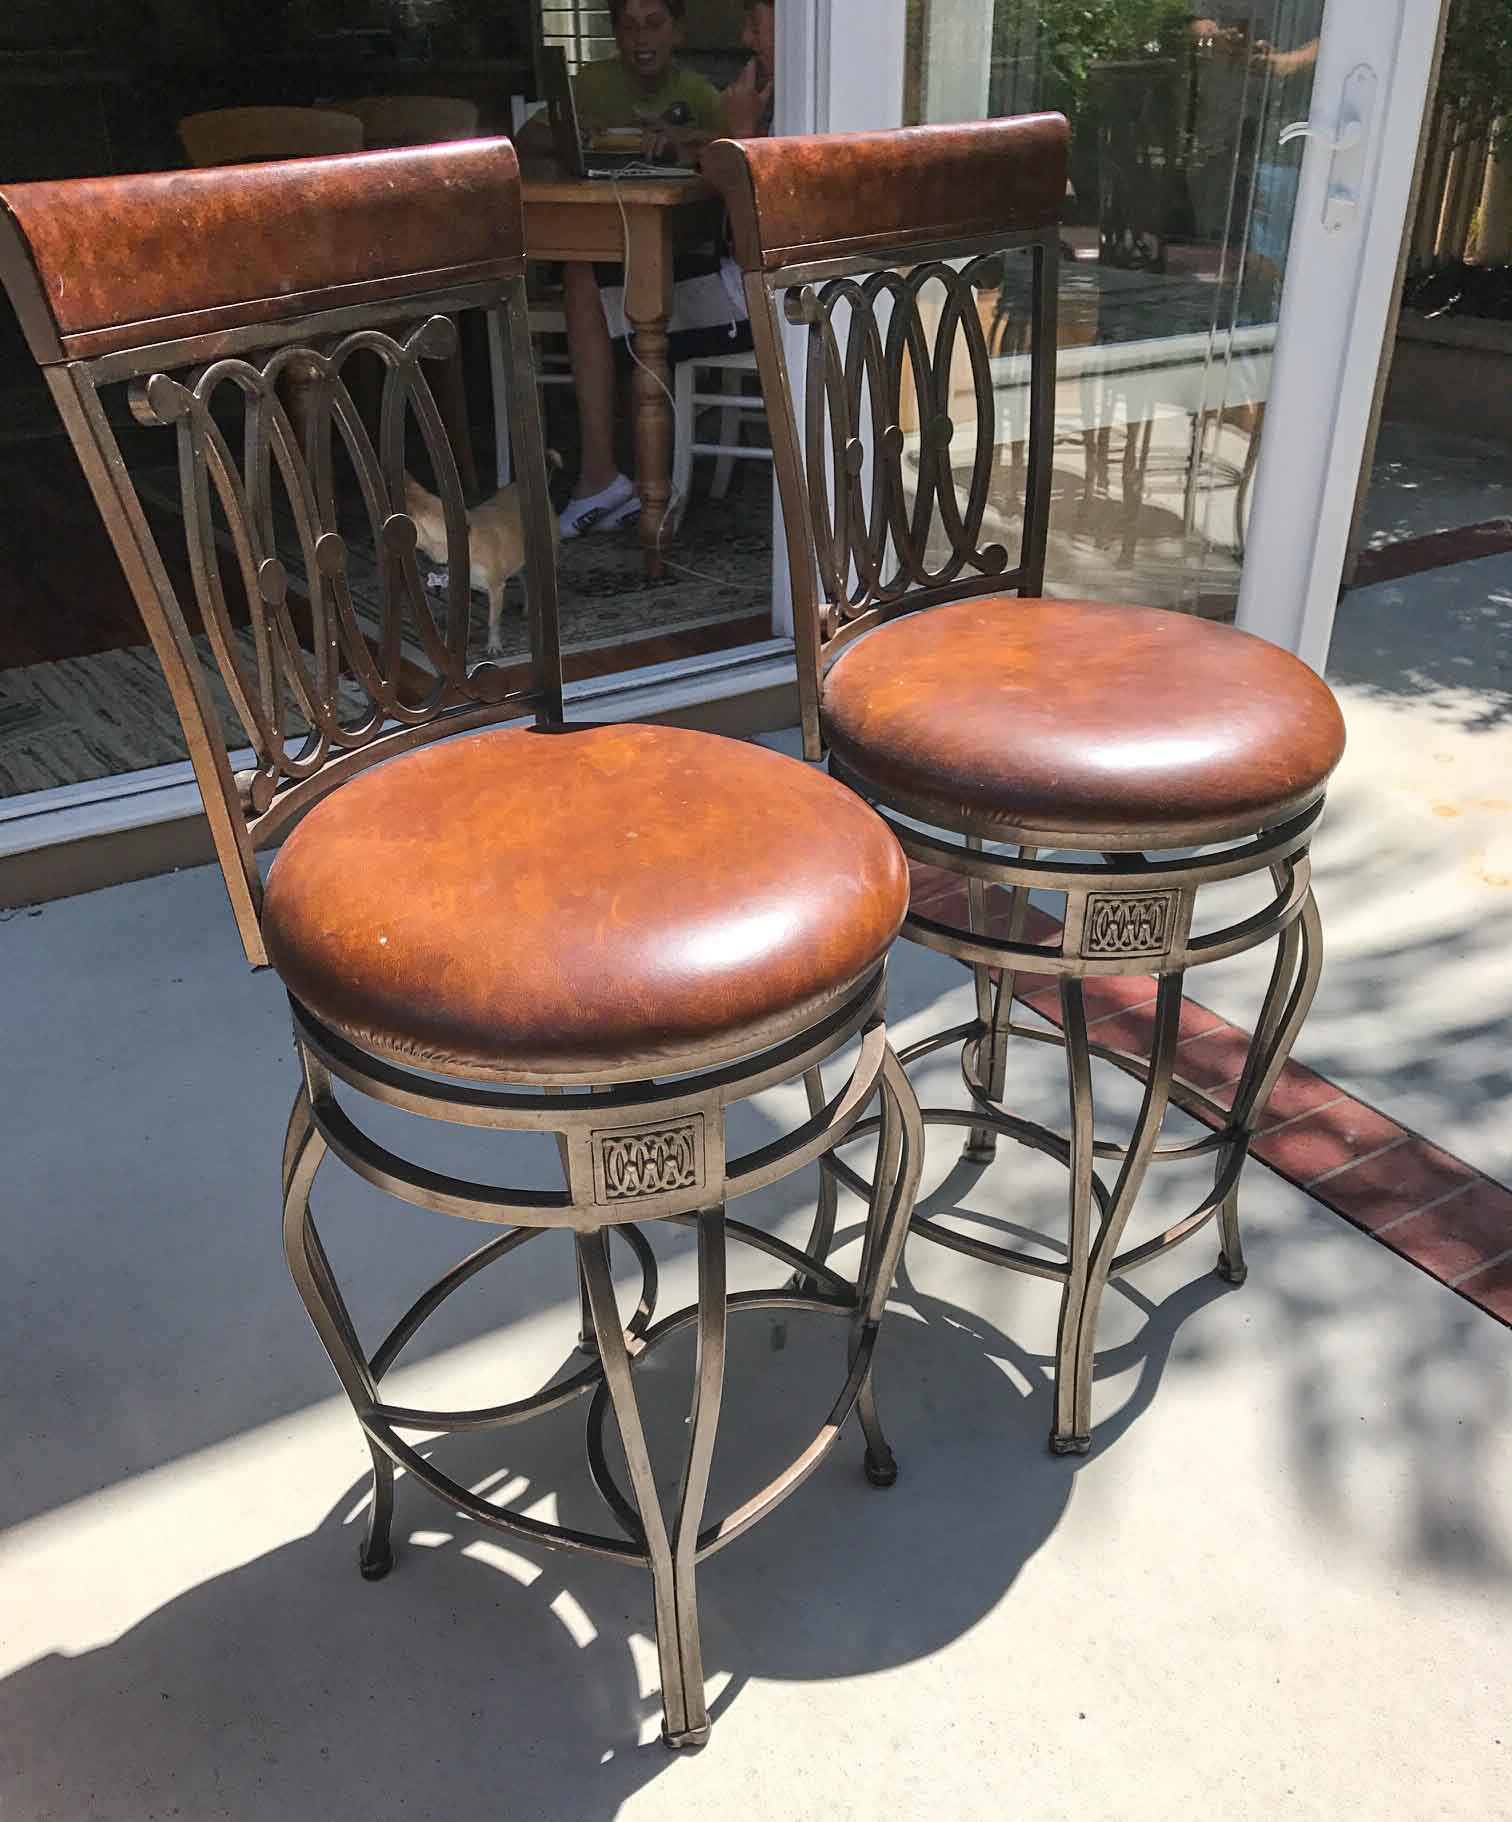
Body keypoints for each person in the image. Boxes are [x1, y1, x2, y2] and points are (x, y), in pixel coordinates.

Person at [524, 0, 776, 537]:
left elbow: (755, 234)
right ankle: (612, 479)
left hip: (758, 298)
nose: (745, 34)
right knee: (586, 273)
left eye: (756, 20)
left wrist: (741, 138)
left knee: (591, 286)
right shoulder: (779, 88)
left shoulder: (779, 94)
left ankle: (625, 488)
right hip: (743, 280)